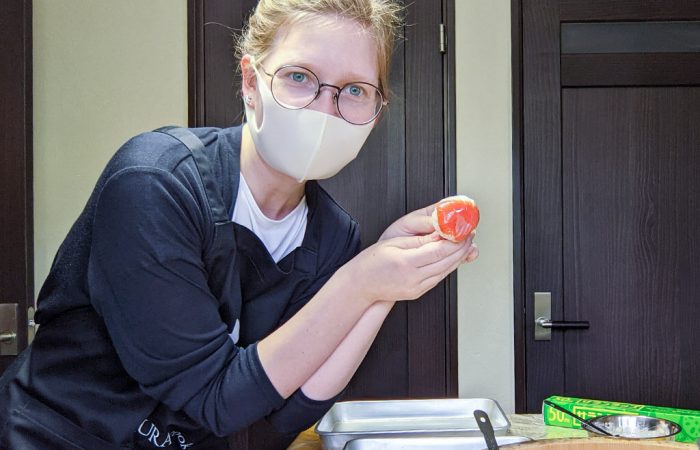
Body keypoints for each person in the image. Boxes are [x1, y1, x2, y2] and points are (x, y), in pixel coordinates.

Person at [0, 0, 478, 448]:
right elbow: (217, 399)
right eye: (299, 77)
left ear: (376, 112)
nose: (324, 109)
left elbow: (279, 419)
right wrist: (358, 282)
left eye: (354, 90)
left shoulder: (332, 234)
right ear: (251, 82)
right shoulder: (155, 183)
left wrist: (381, 290)